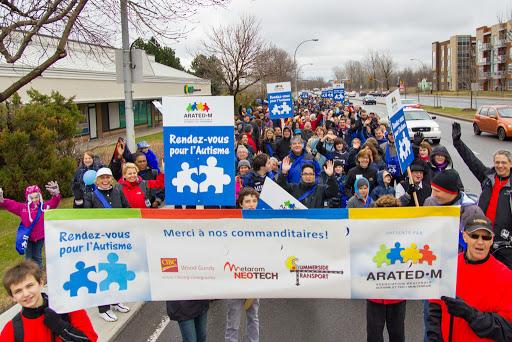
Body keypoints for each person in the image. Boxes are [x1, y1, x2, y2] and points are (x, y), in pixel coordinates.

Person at [427, 215, 512, 341]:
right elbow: (434, 309)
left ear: (492, 240)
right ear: (465, 237)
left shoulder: (506, 276)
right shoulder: (447, 267)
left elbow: (507, 331)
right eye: (474, 236)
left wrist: (470, 314)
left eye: (486, 237)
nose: (480, 242)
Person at [452, 122, 512, 268]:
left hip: (505, 243)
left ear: (510, 164)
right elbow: (471, 160)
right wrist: (457, 142)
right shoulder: (487, 177)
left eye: (504, 163)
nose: (500, 166)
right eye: (497, 162)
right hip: (483, 236)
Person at [0, 260, 98, 341]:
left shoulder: (68, 309)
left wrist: (62, 327)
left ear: (41, 283)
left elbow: (90, 340)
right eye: (18, 291)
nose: (26, 294)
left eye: (29, 286)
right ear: (12, 297)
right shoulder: (11, 330)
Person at [83, 167, 131, 322]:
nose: (105, 180)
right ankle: (103, 308)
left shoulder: (118, 192)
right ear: (97, 180)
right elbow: (85, 216)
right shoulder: (91, 195)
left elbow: (127, 209)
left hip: (117, 237)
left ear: (111, 179)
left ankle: (115, 300)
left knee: (115, 268)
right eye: (102, 178)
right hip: (100, 240)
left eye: (107, 177)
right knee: (102, 271)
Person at [366, 195, 406, 342]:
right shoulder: (368, 232)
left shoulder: (406, 233)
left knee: (397, 334)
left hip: (398, 293)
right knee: (374, 335)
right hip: (374, 293)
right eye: (384, 211)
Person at [225, 187, 260, 342]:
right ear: (241, 204)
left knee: (253, 316)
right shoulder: (232, 223)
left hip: (255, 277)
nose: (251, 204)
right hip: (236, 278)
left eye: (254, 201)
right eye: (247, 201)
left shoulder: (264, 223)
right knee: (233, 319)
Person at [0, 182, 61, 268]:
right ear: (28, 198)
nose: (35, 199)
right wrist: (2, 201)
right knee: (28, 257)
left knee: (37, 256)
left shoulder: (44, 207)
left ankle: (39, 275)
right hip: (28, 238)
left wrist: (56, 195)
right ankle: (29, 274)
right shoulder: (23, 208)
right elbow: (12, 205)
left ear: (40, 196)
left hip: (40, 238)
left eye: (37, 197)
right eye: (31, 198)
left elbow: (54, 202)